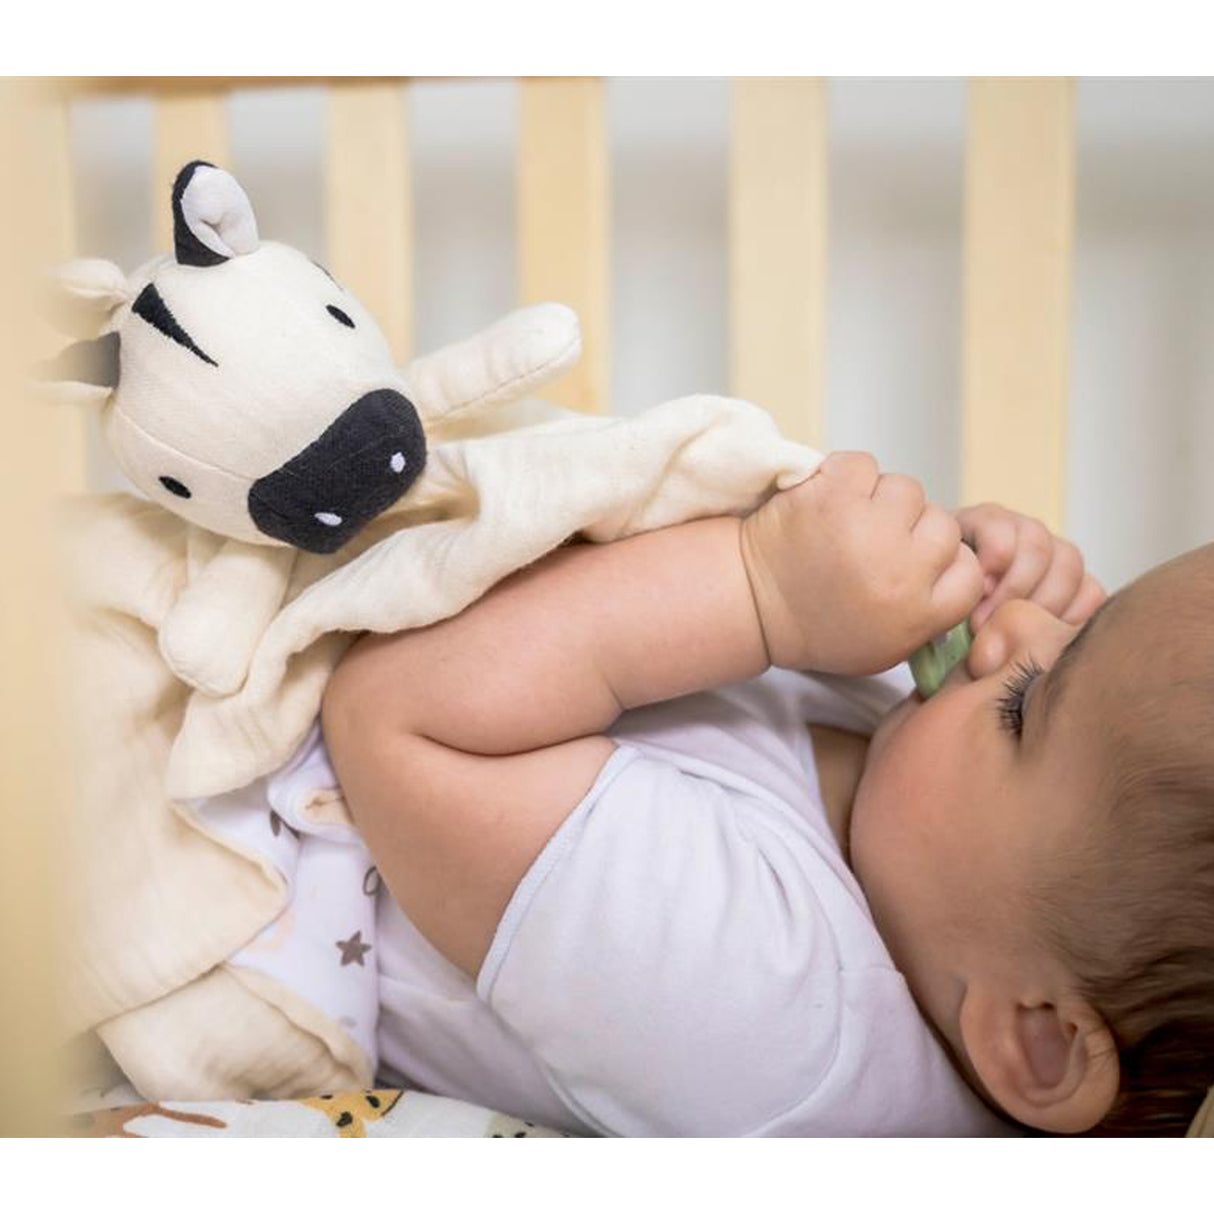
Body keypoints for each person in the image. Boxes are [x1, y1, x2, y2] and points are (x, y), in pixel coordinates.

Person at [321, 451, 1214, 1136]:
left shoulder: (776, 1020)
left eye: (1023, 710)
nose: (1020, 628)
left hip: (213, 858)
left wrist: (761, 587)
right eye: (1080, 629)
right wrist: (928, 577)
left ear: (1037, 1039)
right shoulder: (916, 861)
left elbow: (395, 711)